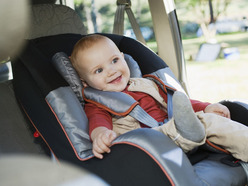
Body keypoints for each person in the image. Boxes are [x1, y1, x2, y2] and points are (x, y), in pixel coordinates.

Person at [71, 34, 248, 161]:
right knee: (202, 123)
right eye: (99, 70)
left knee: (210, 120)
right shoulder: (97, 103)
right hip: (146, 144)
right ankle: (188, 130)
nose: (111, 70)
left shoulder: (147, 84)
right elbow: (97, 122)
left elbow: (178, 102)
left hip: (175, 127)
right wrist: (100, 135)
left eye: (115, 60)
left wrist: (206, 107)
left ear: (124, 58)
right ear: (85, 82)